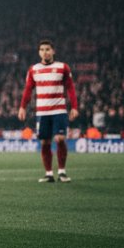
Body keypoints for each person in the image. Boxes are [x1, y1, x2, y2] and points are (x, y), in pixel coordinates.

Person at [17, 39, 78, 183]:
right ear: (39, 52)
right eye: (42, 50)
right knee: (45, 142)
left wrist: (74, 107)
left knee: (60, 139)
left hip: (59, 110)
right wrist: (22, 107)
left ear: (53, 51)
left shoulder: (62, 67)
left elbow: (70, 88)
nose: (45, 52)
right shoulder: (33, 69)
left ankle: (62, 172)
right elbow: (28, 90)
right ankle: (49, 174)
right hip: (42, 112)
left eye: (48, 49)